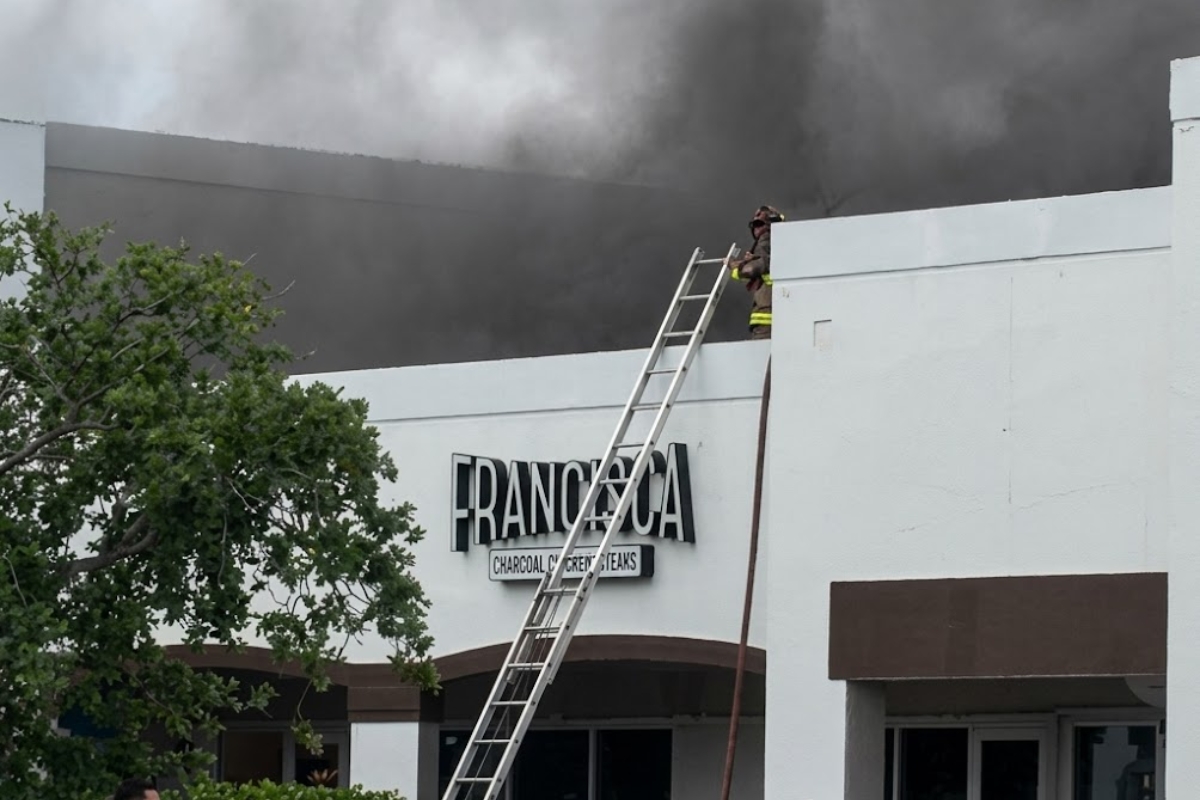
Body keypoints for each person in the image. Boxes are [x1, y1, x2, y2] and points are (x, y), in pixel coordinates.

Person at [729, 205, 785, 340]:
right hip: (778, 314)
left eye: (760, 224)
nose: (756, 228)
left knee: (761, 356)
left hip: (767, 316)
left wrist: (735, 266)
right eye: (754, 225)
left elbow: (755, 269)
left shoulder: (766, 240)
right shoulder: (781, 242)